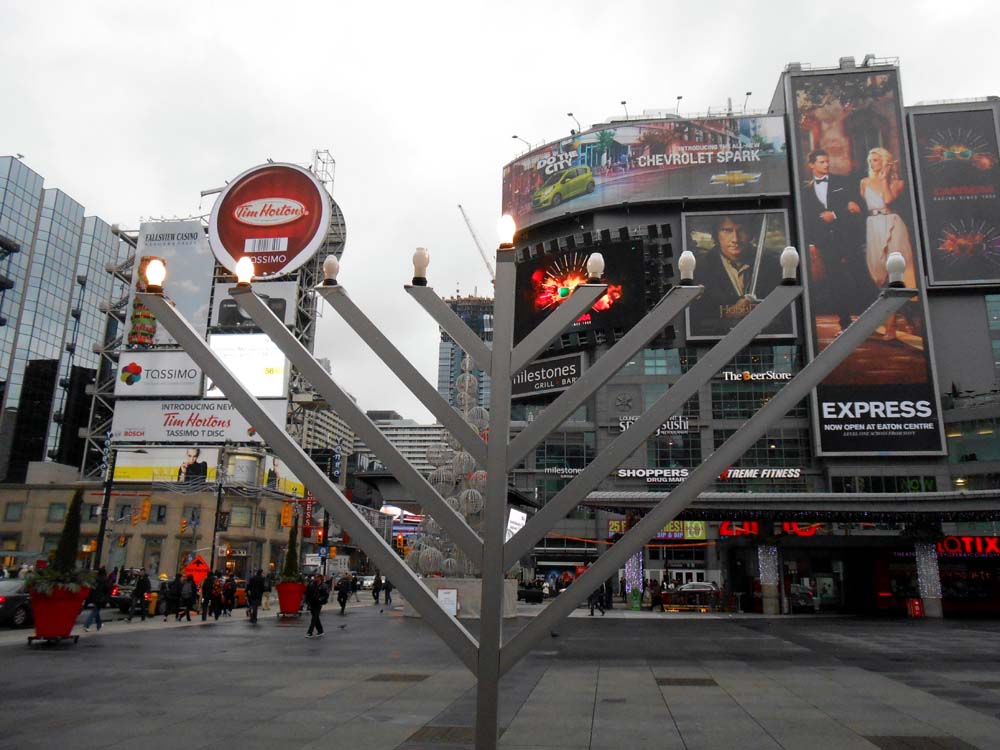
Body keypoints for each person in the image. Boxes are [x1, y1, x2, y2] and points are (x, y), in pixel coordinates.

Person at [801, 148, 866, 335]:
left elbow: (857, 209)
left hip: (848, 239)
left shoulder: (843, 182)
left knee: (859, 277)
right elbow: (808, 219)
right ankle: (845, 323)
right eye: (821, 162)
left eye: (827, 161)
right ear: (812, 165)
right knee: (835, 282)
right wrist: (812, 243)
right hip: (826, 243)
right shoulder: (806, 190)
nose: (826, 165)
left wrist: (835, 214)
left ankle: (870, 319)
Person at [689, 214, 782, 336]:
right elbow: (693, 320)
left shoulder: (772, 264)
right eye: (727, 230)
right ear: (716, 234)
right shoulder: (699, 268)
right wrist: (730, 312)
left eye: (742, 230)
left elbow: (784, 314)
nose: (735, 239)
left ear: (751, 233)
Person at [860, 147, 918, 340]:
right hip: (873, 226)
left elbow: (887, 199)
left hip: (893, 225)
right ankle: (907, 315)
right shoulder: (864, 182)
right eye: (870, 160)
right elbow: (868, 204)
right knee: (878, 272)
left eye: (876, 160)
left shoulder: (897, 183)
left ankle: (891, 326)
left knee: (897, 273)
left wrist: (884, 179)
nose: (872, 163)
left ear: (885, 162)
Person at [83, 567, 110, 632]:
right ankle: (87, 625)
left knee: (96, 611)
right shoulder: (105, 579)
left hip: (94, 597)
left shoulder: (95, 579)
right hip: (101, 598)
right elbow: (106, 589)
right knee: (95, 611)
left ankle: (99, 624)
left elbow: (92, 588)